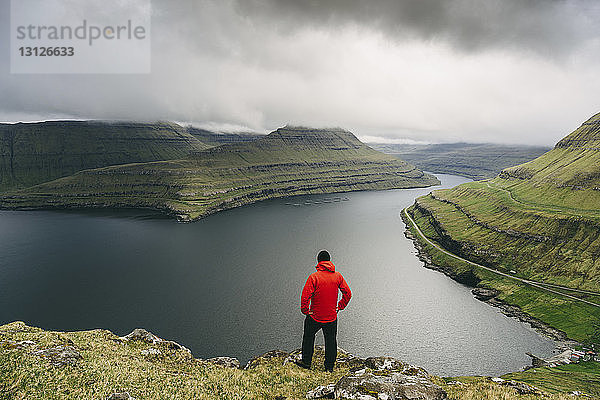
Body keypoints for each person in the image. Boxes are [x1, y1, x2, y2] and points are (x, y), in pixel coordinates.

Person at [296, 250, 352, 372]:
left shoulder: (314, 277)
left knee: (308, 337)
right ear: (329, 261)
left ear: (318, 261)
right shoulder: (338, 276)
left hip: (315, 316)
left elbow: (305, 297)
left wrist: (306, 311)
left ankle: (306, 362)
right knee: (331, 340)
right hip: (331, 317)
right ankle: (329, 367)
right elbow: (348, 293)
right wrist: (340, 306)